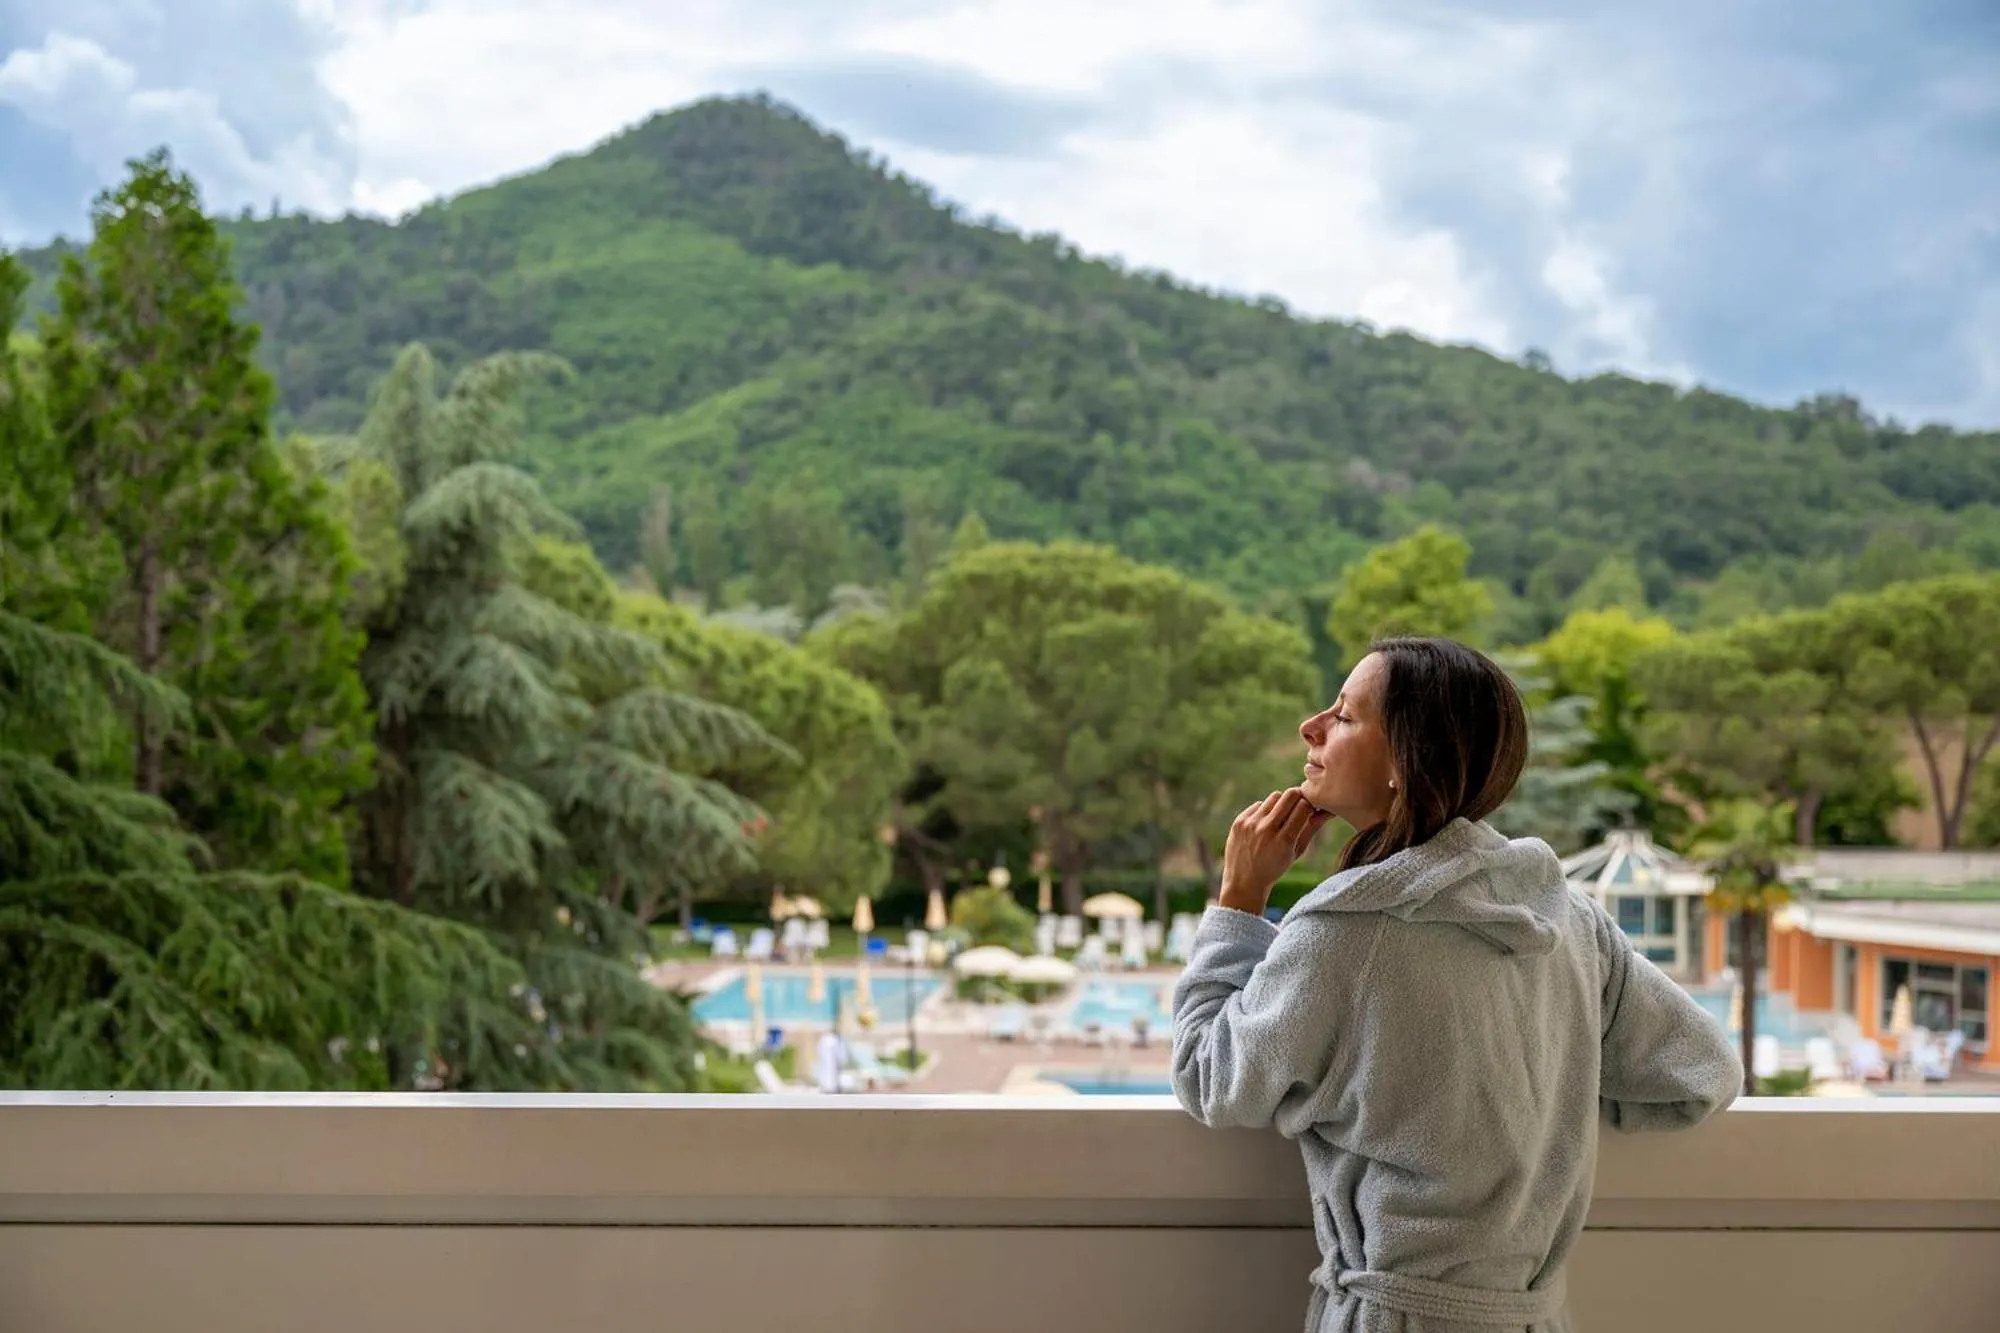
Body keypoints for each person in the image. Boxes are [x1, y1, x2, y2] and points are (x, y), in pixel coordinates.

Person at [1171, 637, 1742, 1333]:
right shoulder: (1568, 918)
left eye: (1346, 716)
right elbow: (1701, 1071)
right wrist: (1539, 1102)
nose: (1311, 726)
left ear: (1404, 761)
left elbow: (1208, 1076)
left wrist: (1238, 899)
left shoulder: (1349, 930)